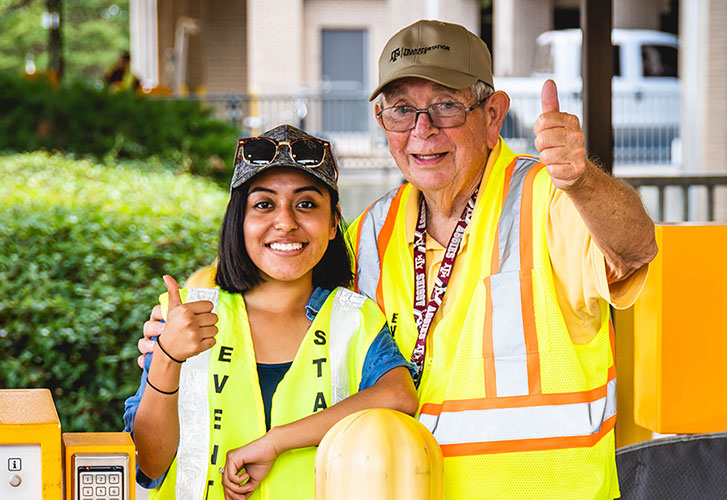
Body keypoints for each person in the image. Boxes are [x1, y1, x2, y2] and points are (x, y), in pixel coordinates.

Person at [140, 20, 657, 500]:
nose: (422, 129)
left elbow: (636, 248)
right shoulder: (371, 230)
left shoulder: (549, 199)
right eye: (402, 109)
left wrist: (582, 181)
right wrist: (171, 330)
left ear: (493, 114)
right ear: (381, 120)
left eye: (447, 106)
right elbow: (279, 277)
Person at [124, 124, 418, 500]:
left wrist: (278, 440)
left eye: (306, 204)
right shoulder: (184, 316)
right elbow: (149, 464)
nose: (286, 222)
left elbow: (399, 395)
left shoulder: (354, 318)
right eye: (264, 204)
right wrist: (168, 356)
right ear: (239, 221)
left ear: (333, 224)